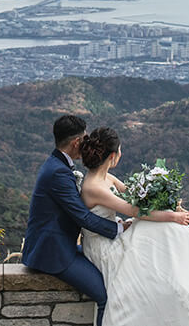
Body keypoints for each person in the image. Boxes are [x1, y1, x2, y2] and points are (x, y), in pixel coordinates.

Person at [79, 127, 189, 326]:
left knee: (162, 228)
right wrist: (173, 217)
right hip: (103, 247)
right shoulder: (94, 187)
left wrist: (167, 202)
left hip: (114, 233)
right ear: (113, 156)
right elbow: (135, 211)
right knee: (160, 227)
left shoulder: (106, 178)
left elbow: (136, 197)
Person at [22, 115, 126, 326]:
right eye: (85, 138)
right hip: (53, 253)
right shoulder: (58, 173)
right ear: (76, 142)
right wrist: (119, 228)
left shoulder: (57, 164)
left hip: (62, 244)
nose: (88, 143)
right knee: (105, 296)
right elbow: (83, 217)